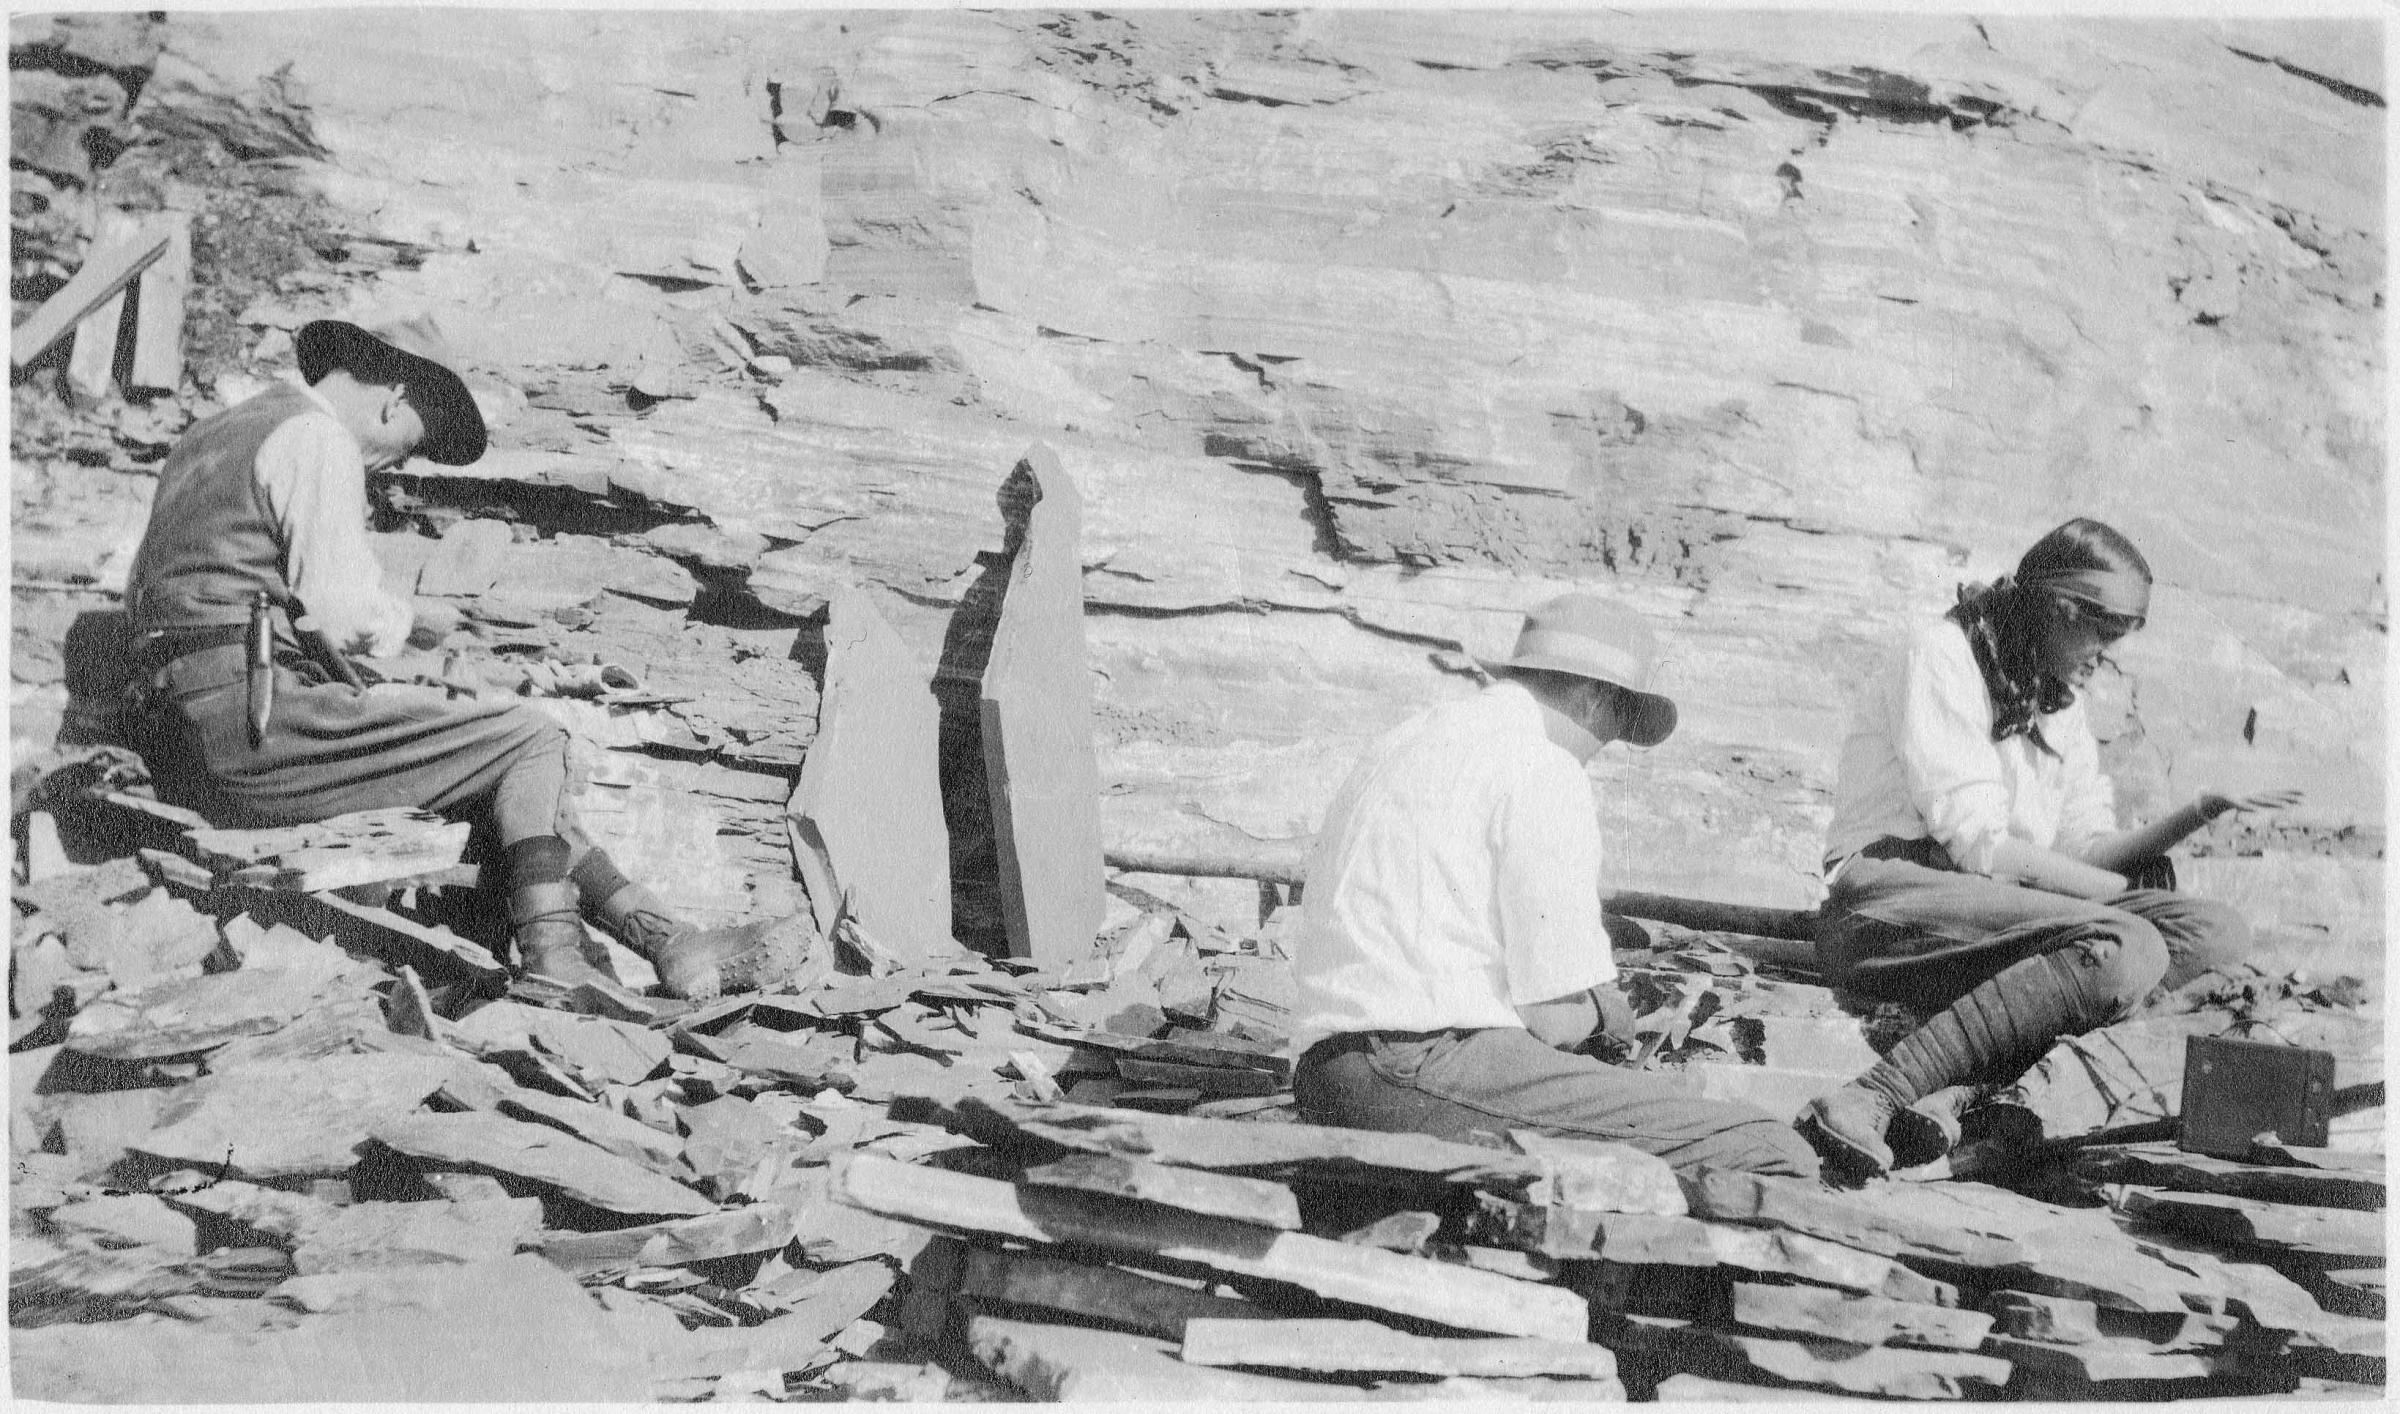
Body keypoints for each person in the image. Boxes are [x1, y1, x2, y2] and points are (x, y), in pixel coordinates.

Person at [121, 316, 803, 1001]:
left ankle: (670, 941)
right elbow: (343, 613)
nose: (398, 466)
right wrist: (415, 625)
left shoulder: (205, 440)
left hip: (182, 730)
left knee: (495, 773)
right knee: (531, 738)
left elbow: (185, 603)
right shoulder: (316, 435)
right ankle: (554, 956)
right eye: (408, 450)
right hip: (251, 727)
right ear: (394, 398)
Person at [1800, 518, 2301, 1177]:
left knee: (2212, 931)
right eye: (2103, 632)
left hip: (1992, 910)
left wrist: (2199, 809)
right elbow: (1979, 845)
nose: (2108, 654)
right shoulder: (1941, 654)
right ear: (2055, 610)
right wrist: (2121, 905)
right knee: (2127, 948)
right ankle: (1871, 1096)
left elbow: (2082, 848)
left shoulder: (2057, 701)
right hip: (1887, 902)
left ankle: (1959, 1090)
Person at [1290, 592, 1822, 1179]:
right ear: (1595, 696)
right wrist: (1611, 1009)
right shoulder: (1543, 766)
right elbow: (1554, 1020)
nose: (1607, 744)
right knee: (1768, 1150)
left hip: (1330, 1068)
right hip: (1413, 1065)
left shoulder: (1409, 737)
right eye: (1619, 721)